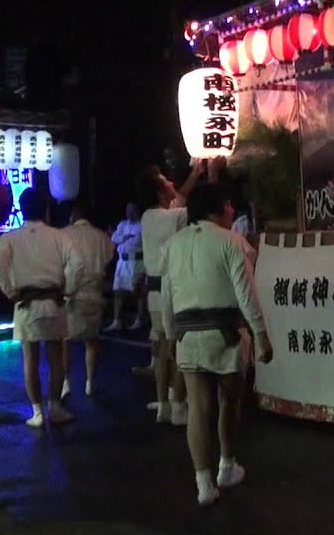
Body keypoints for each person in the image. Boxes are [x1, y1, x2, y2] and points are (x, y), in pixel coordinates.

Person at [159, 182, 273, 506]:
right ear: (216, 208)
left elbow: (167, 296)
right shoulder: (233, 242)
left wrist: (170, 334)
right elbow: (246, 293)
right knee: (229, 403)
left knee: (198, 407)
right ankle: (226, 463)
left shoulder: (174, 245)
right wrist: (262, 336)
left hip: (187, 336)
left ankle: (203, 483)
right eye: (228, 205)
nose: (232, 211)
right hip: (227, 335)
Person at [0, 188, 83, 428]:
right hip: (53, 302)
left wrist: (11, 292)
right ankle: (54, 406)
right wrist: (68, 291)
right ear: (45, 209)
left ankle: (37, 412)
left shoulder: (9, 239)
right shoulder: (60, 236)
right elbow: (77, 264)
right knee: (55, 358)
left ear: (21, 210)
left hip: (25, 304)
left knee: (29, 358)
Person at [141, 160, 206, 423]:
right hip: (173, 291)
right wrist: (207, 176)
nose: (171, 182)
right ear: (159, 193)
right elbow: (191, 207)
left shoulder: (148, 217)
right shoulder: (173, 217)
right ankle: (179, 405)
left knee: (161, 349)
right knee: (179, 347)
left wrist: (196, 172)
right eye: (166, 181)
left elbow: (178, 200)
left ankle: (164, 405)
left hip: (153, 295)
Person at [60, 201, 115, 398]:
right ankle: (90, 381)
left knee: (64, 340)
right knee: (92, 341)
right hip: (95, 293)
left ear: (72, 217)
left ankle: (65, 381)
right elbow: (109, 259)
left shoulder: (64, 234)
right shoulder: (101, 237)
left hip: (71, 294)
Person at [105, 202, 144, 332]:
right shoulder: (122, 224)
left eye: (132, 210)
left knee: (136, 292)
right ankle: (116, 321)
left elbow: (136, 241)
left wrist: (123, 238)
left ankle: (139, 319)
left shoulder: (142, 226)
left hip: (135, 262)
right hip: (122, 262)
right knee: (118, 291)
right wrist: (125, 237)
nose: (129, 212)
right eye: (127, 210)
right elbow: (114, 238)